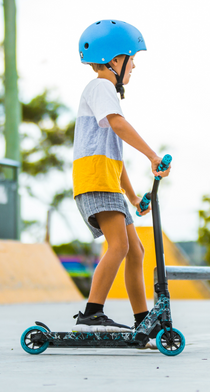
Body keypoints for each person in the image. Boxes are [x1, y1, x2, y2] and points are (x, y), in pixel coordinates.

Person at [72, 20, 170, 349]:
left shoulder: (105, 93)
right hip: (96, 180)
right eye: (132, 58)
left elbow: (116, 156)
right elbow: (118, 124)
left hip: (107, 181)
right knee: (120, 247)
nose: (135, 65)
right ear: (115, 60)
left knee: (135, 249)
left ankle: (142, 319)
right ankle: (92, 313)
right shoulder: (101, 87)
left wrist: (133, 196)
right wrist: (153, 155)